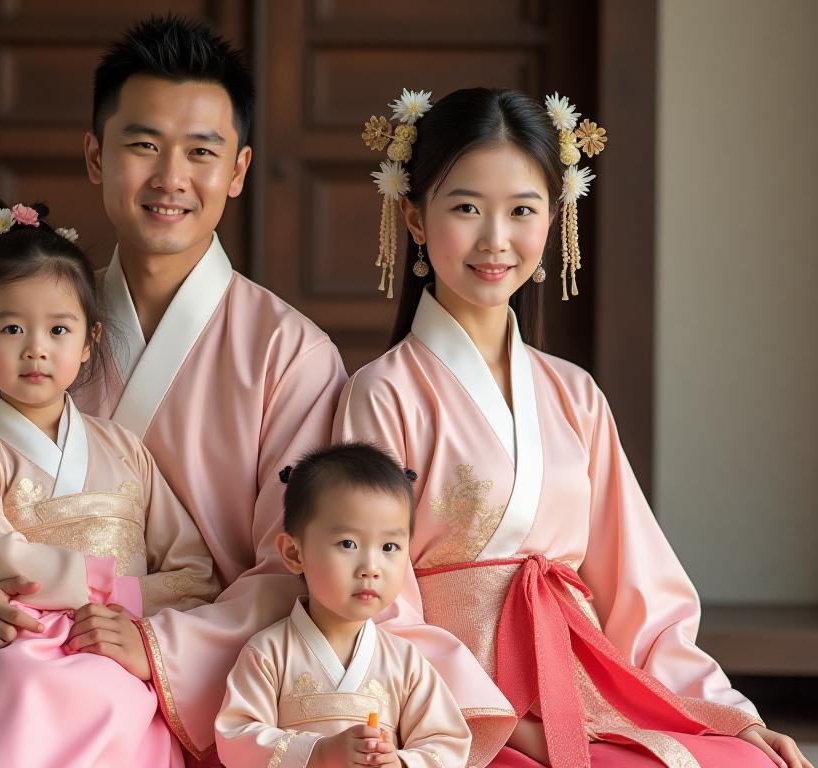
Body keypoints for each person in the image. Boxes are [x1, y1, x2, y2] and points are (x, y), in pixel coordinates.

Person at [0, 16, 346, 765]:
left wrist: (156, 641)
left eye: (201, 152)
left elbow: (298, 568)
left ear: (240, 170)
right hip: (21, 662)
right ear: (96, 155)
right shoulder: (23, 336)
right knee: (16, 699)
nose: (170, 178)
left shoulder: (290, 355)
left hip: (187, 671)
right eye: (143, 144)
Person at [336, 87, 812, 767]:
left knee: (750, 762)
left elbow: (639, 588)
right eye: (466, 207)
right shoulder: (382, 394)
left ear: (553, 220)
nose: (496, 240)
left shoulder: (573, 393)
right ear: (414, 216)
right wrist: (514, 726)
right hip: (461, 712)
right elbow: (377, 605)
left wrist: (730, 714)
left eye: (522, 211)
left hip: (585, 682)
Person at [0, 201, 218, 766]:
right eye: (11, 328)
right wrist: (103, 584)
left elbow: (193, 571)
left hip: (108, 638)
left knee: (115, 697)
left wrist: (124, 607)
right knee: (17, 684)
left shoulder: (125, 451)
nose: (36, 348)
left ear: (90, 339)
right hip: (19, 640)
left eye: (58, 328)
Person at [215, 443, 473, 768]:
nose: (371, 566)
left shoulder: (407, 662)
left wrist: (403, 763)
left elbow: (447, 744)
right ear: (295, 553)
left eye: (390, 546)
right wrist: (319, 753)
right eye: (348, 543)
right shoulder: (268, 653)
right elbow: (235, 736)